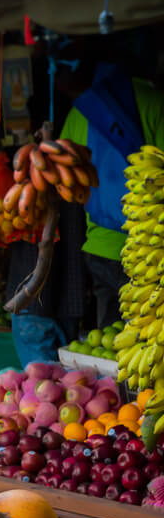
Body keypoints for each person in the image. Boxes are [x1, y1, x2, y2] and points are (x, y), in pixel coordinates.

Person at [60, 63, 164, 327]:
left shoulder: (80, 111)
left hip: (99, 247)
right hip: (149, 251)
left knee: (110, 338)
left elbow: (65, 181)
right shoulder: (155, 101)